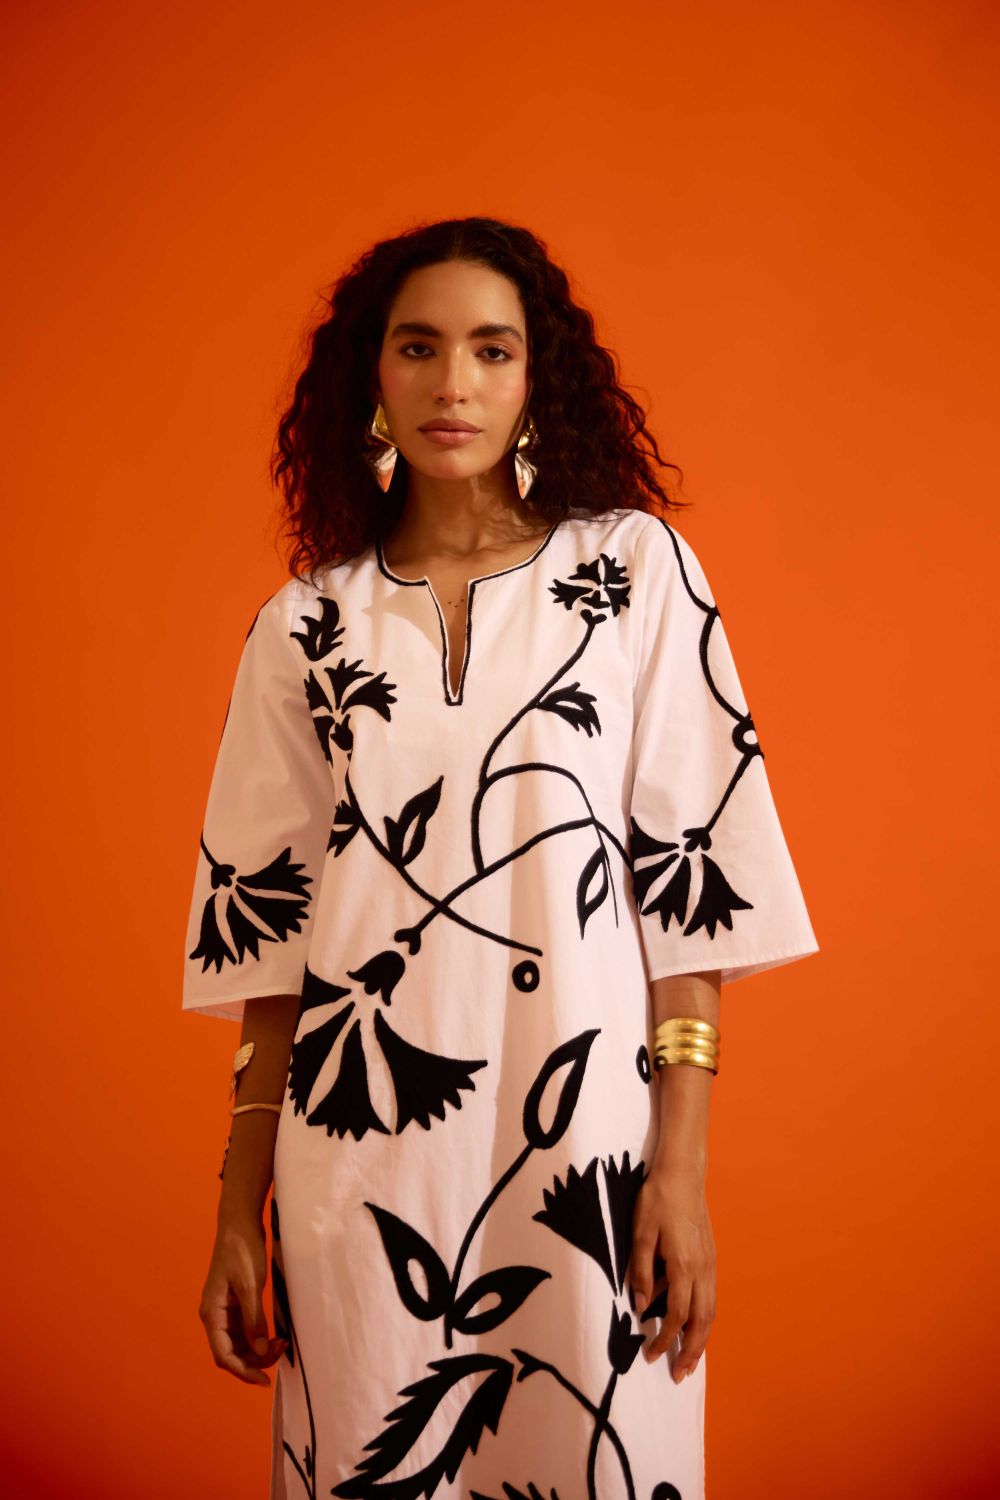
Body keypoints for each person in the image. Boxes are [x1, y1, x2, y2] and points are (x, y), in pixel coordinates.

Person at [182, 216, 819, 1500]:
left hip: (587, 1153)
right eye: (418, 348)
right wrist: (235, 1210)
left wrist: (679, 1172)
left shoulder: (630, 573)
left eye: (491, 349)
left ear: (536, 378)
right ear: (373, 375)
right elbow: (269, 944)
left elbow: (690, 885)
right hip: (360, 1165)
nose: (454, 384)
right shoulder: (305, 626)